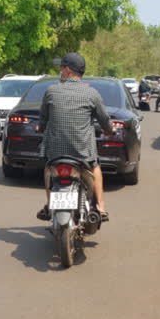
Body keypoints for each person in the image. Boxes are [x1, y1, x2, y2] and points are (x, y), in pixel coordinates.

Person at [36, 53, 114, 222]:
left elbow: (42, 120)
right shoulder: (91, 93)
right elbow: (105, 120)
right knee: (96, 168)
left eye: (61, 67)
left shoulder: (51, 91)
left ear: (68, 70)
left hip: (55, 152)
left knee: (48, 170)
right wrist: (109, 130)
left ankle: (50, 205)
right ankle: (101, 208)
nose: (60, 71)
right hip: (82, 152)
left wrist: (40, 128)